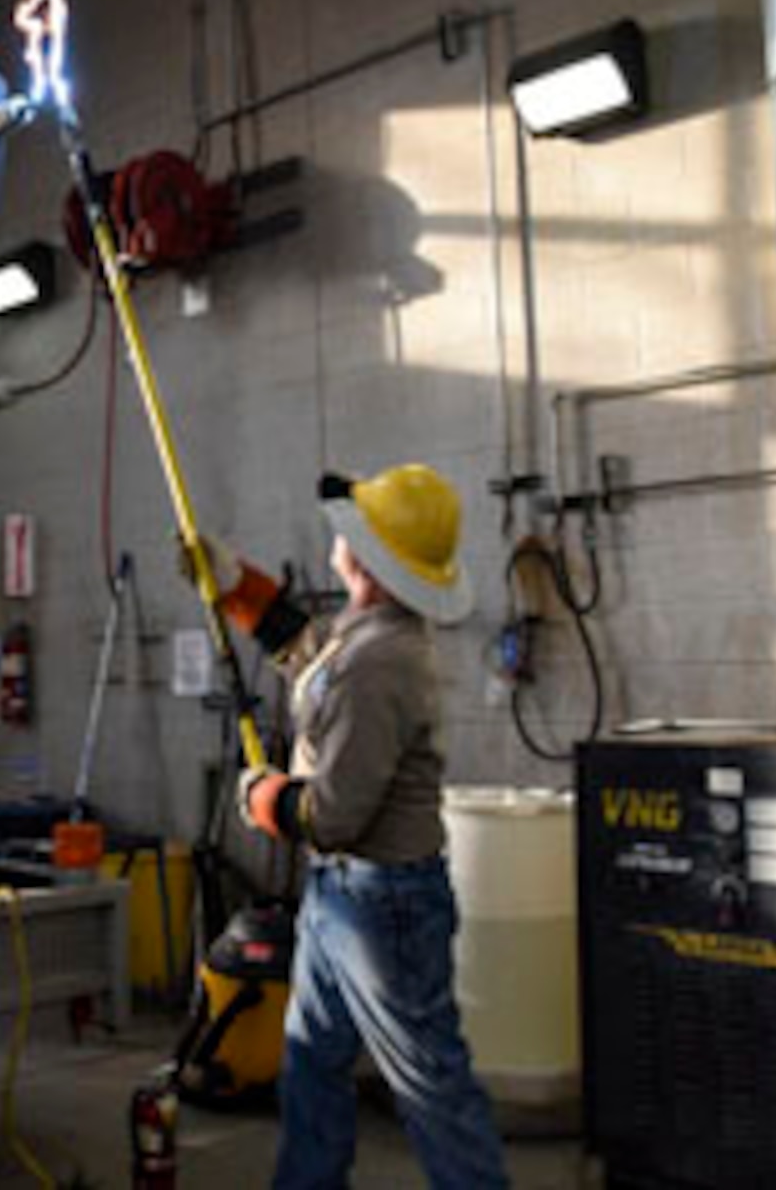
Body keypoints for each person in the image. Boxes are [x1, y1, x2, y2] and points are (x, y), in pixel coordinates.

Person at [194, 464, 507, 1190]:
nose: (342, 533)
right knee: (309, 1059)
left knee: (431, 1084)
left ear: (366, 555)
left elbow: (332, 816)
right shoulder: (366, 632)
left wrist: (262, 795)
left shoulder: (382, 663)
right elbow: (307, 653)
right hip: (345, 900)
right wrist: (233, 582)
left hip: (382, 905)